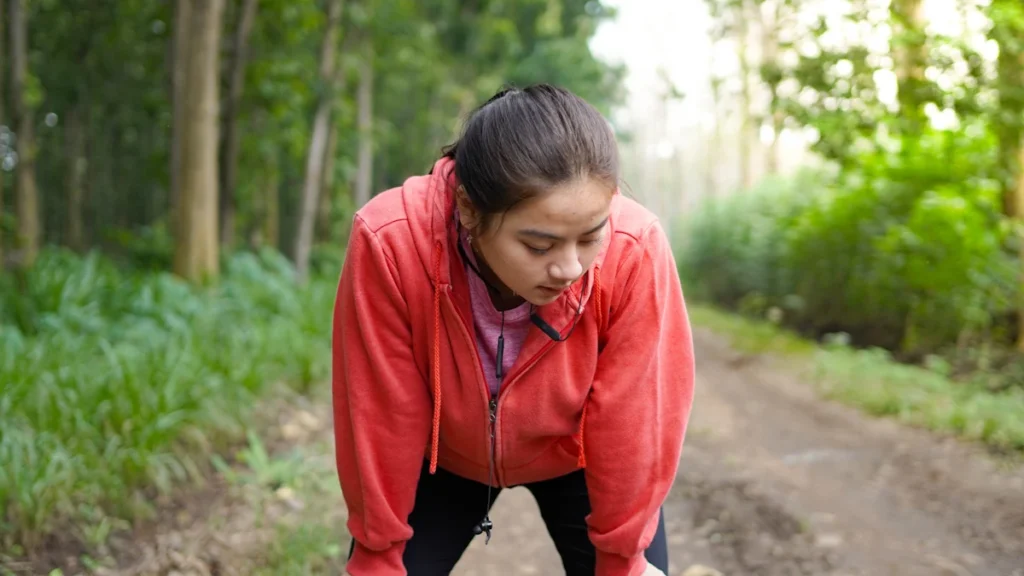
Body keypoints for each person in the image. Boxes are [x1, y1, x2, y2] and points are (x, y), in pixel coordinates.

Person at [332, 83, 695, 576]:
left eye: (590, 237)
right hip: (445, 459)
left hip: (579, 457)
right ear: (468, 209)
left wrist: (623, 558)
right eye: (539, 246)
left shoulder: (635, 249)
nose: (570, 268)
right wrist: (377, 552)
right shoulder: (392, 240)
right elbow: (381, 410)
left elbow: (634, 419)